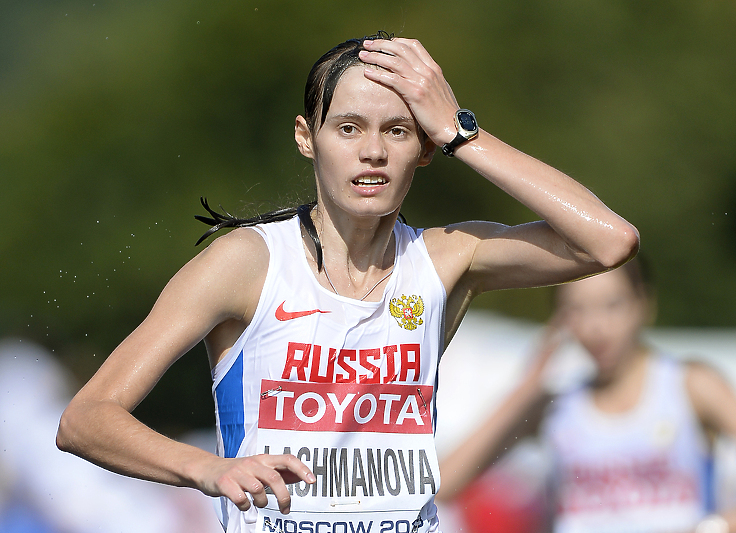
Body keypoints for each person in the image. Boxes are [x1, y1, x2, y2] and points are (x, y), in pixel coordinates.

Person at [55, 32, 639, 533]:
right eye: (349, 128)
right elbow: (86, 419)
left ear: (425, 150)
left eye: (399, 132)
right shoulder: (248, 263)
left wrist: (463, 134)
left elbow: (609, 242)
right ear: (307, 137)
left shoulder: (447, 260)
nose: (373, 152)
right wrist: (210, 469)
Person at [437, 259, 736, 533]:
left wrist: (713, 529)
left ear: (644, 304)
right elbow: (442, 487)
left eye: (612, 306)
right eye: (578, 310)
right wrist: (522, 393)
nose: (596, 327)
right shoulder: (553, 404)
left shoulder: (690, 385)